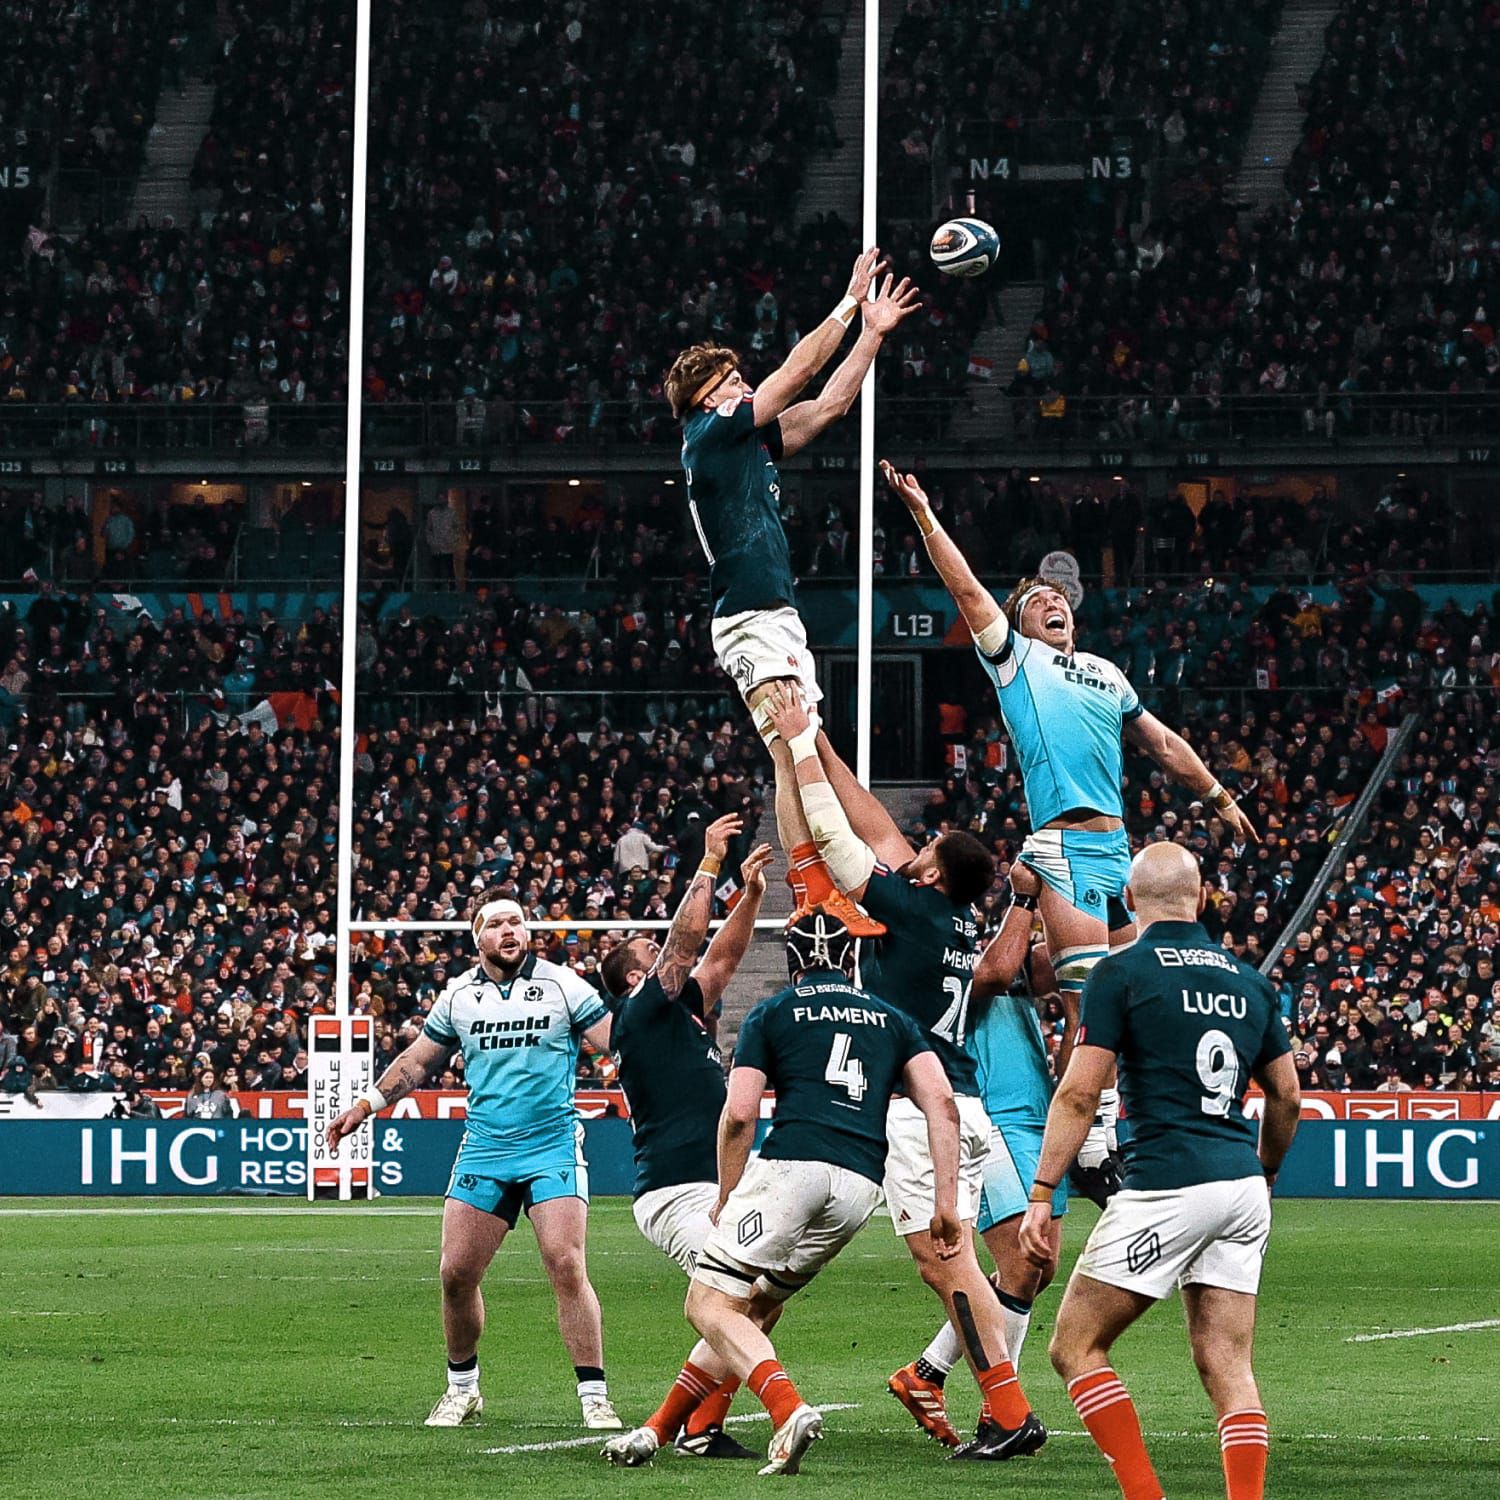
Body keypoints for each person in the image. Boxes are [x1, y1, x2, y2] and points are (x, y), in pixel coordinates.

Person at [882, 461, 1258, 1200]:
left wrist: (1215, 794)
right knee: (1092, 1005)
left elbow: (1161, 742)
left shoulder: (1107, 673)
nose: (1053, 602)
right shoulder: (1016, 662)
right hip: (1064, 846)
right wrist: (926, 516)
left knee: (1119, 996)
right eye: (1038, 601)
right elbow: (965, 589)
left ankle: (1096, 1117)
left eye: (1060, 599)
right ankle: (1092, 1146)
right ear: (1019, 624)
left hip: (1117, 852)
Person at [762, 684, 1046, 1460]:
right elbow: (883, 828)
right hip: (961, 1100)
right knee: (989, 1262)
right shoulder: (954, 913)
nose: (909, 849)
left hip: (919, 1111)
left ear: (927, 874)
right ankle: (949, 1384)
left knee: (941, 1259)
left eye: (923, 851)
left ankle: (1009, 1409)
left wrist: (792, 743)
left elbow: (834, 832)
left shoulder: (912, 908)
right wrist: (816, 739)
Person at [614, 908, 967, 1477]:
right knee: (756, 1305)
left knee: (708, 1304)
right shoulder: (893, 1020)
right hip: (859, 1186)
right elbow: (942, 1108)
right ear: (852, 959)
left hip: (792, 1168)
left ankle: (787, 1408)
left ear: (794, 959)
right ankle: (666, 1427)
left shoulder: (774, 1011)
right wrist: (945, 1202)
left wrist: (729, 1194)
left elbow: (740, 1114)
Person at [1018, 844, 1301, 1500]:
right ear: (1200, 899)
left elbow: (1081, 1093)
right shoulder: (1250, 981)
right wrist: (1266, 1171)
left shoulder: (1120, 973)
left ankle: (1146, 1496)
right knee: (1228, 1366)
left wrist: (1041, 1189)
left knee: (1075, 1346)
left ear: (1128, 902)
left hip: (1168, 1181)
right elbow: (1286, 1097)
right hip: (1239, 1185)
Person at [663, 250, 919, 936]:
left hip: (772, 614)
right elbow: (797, 371)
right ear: (708, 396)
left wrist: (872, 333)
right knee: (789, 751)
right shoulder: (708, 436)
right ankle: (809, 888)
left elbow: (829, 402)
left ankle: (816, 884)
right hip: (748, 616)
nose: (746, 385)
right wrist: (846, 302)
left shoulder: (745, 442)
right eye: (734, 379)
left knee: (799, 746)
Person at [327, 894, 621, 1432]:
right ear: (477, 937)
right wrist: (366, 1105)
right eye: (497, 924)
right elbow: (418, 1059)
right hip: (485, 1147)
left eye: (517, 922)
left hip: (552, 1142)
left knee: (565, 1262)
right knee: (456, 1273)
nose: (510, 930)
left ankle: (594, 1396)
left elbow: (616, 1045)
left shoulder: (564, 985)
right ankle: (462, 1388)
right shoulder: (459, 995)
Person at [598, 817, 775, 1462]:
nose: (661, 952)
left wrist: (751, 895)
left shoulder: (677, 1015)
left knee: (761, 1298)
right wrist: (707, 865)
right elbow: (686, 944)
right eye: (646, 954)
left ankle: (697, 1424)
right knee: (740, 1296)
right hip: (676, 1188)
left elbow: (721, 957)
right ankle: (696, 1425)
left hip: (710, 1183)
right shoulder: (640, 1013)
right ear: (631, 983)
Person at [889, 861, 1070, 1448]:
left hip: (1036, 1115)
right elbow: (995, 970)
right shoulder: (963, 952)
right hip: (987, 1111)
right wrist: (1028, 898)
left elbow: (1060, 965)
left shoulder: (1013, 953)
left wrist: (1096, 908)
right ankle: (1001, 1409)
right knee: (1019, 1263)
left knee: (1038, 1268)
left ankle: (928, 1374)